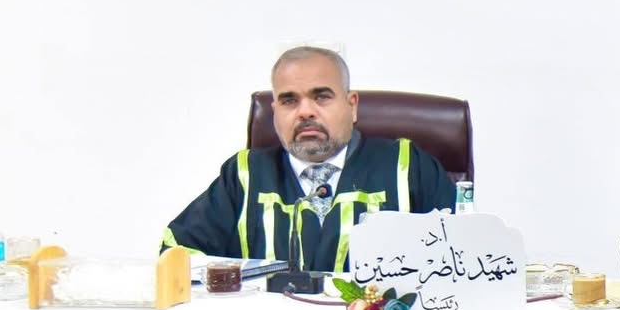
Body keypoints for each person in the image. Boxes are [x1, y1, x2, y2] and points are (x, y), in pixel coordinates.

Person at [162, 47, 456, 269]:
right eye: (289, 100)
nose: (305, 112)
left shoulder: (406, 167)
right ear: (275, 111)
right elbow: (177, 254)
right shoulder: (245, 175)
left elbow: (460, 258)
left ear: (352, 106)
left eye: (321, 97)